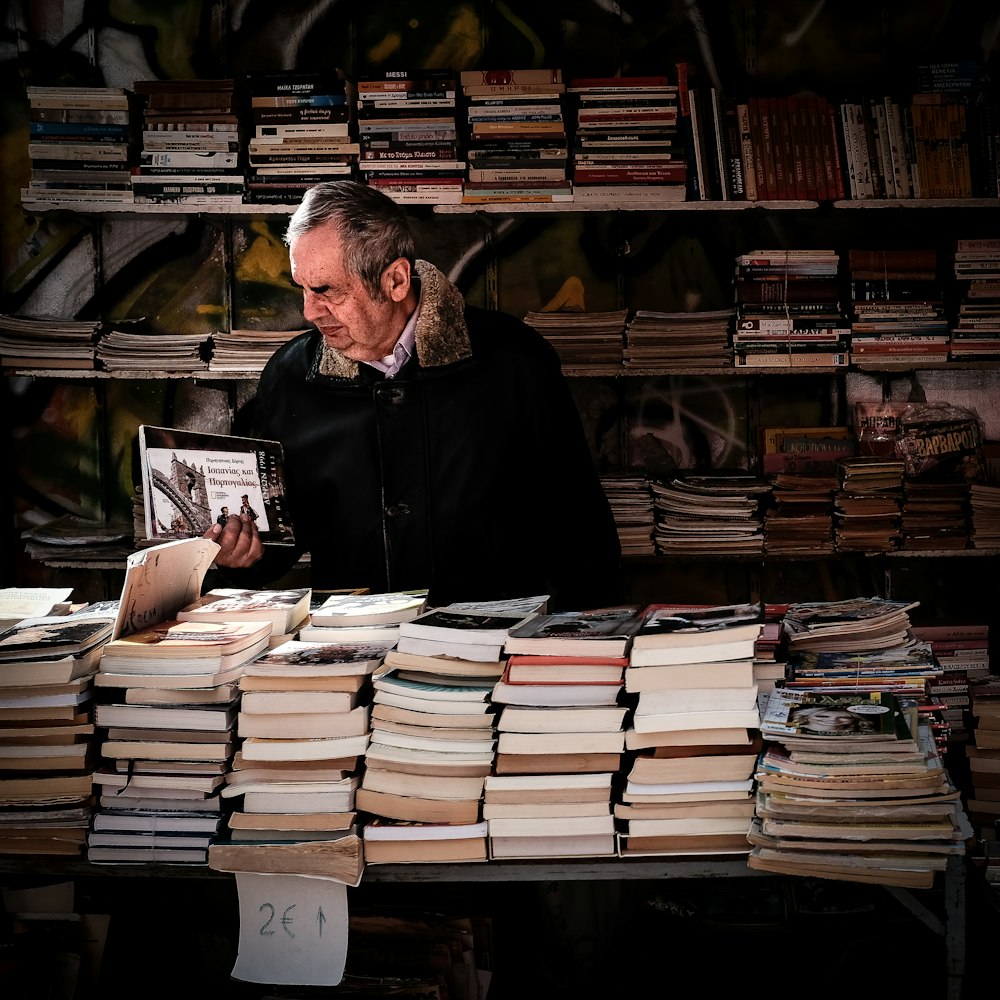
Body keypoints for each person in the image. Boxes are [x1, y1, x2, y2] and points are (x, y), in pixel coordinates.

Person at [207, 180, 622, 611]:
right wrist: (246, 556)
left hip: (490, 647)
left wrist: (586, 646)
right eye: (304, 288)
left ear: (396, 280)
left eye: (328, 290)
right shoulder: (290, 376)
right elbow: (281, 540)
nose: (309, 311)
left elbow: (579, 532)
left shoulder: (515, 362)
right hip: (351, 653)